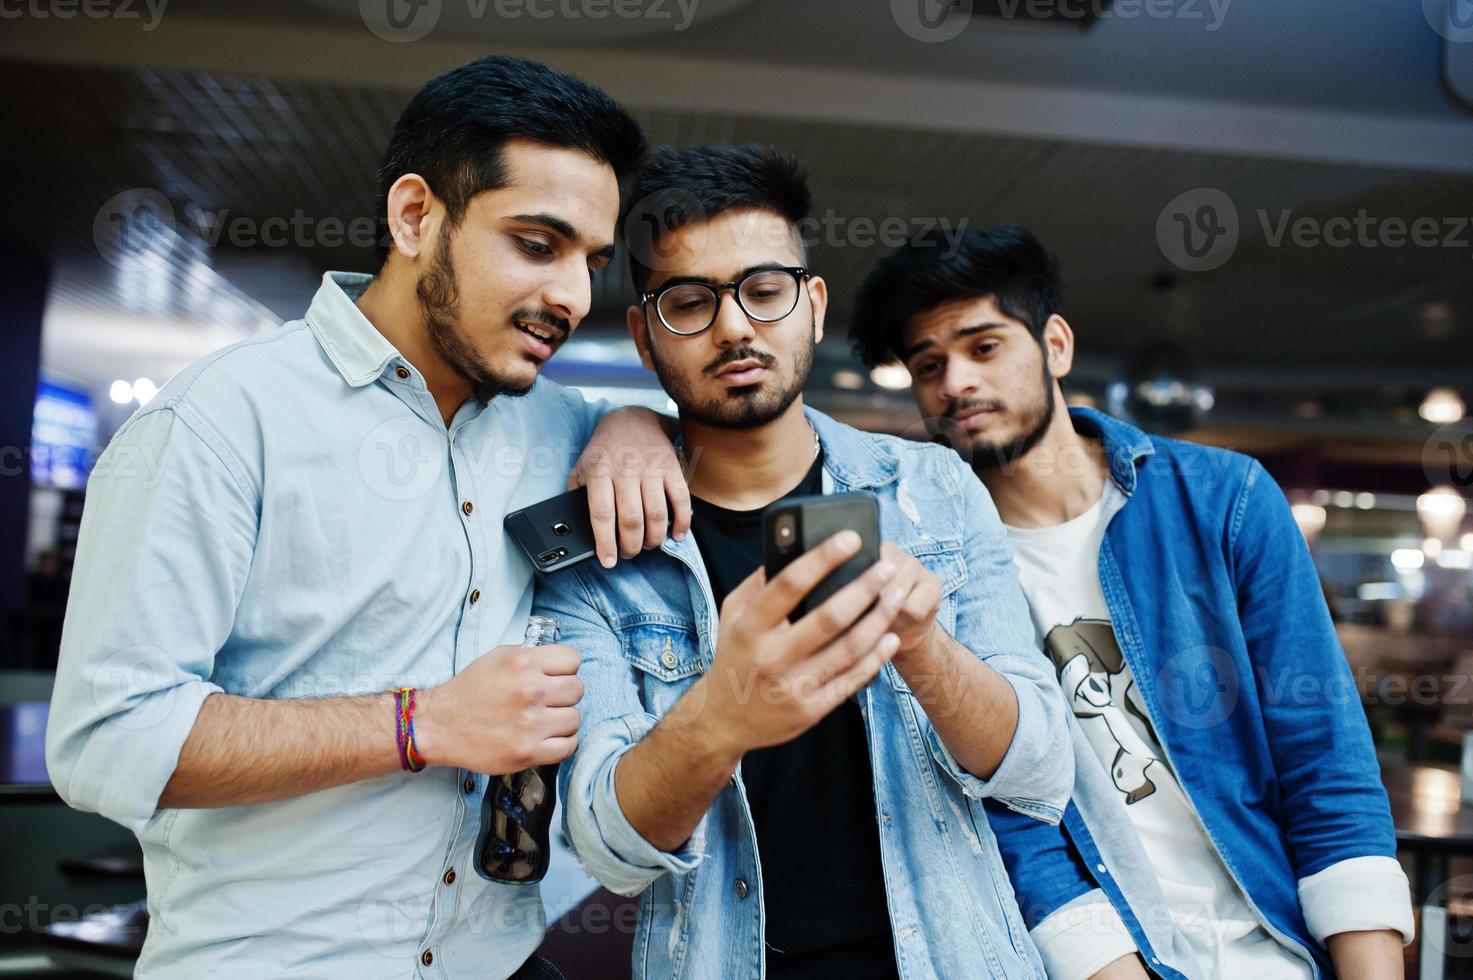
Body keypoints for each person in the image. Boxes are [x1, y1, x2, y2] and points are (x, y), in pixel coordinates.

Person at [46, 56, 690, 979]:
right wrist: (419, 724)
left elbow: (721, 445)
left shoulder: (561, 424)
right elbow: (108, 739)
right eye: (537, 245)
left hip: (502, 961)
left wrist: (638, 425)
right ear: (416, 216)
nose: (576, 298)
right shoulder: (219, 422)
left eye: (591, 262)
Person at [532, 144, 1076, 979]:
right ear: (643, 335)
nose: (735, 327)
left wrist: (922, 648)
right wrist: (724, 714)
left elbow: (1039, 771)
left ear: (812, 306)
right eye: (688, 302)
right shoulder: (599, 547)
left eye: (763, 290)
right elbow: (607, 847)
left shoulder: (929, 487)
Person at [850, 224, 1415, 978]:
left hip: (1275, 937)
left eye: (982, 347)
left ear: (1054, 345)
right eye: (928, 365)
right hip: (1093, 959)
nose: (954, 383)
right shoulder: (929, 568)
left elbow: (1322, 754)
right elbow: (1006, 812)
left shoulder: (1222, 499)